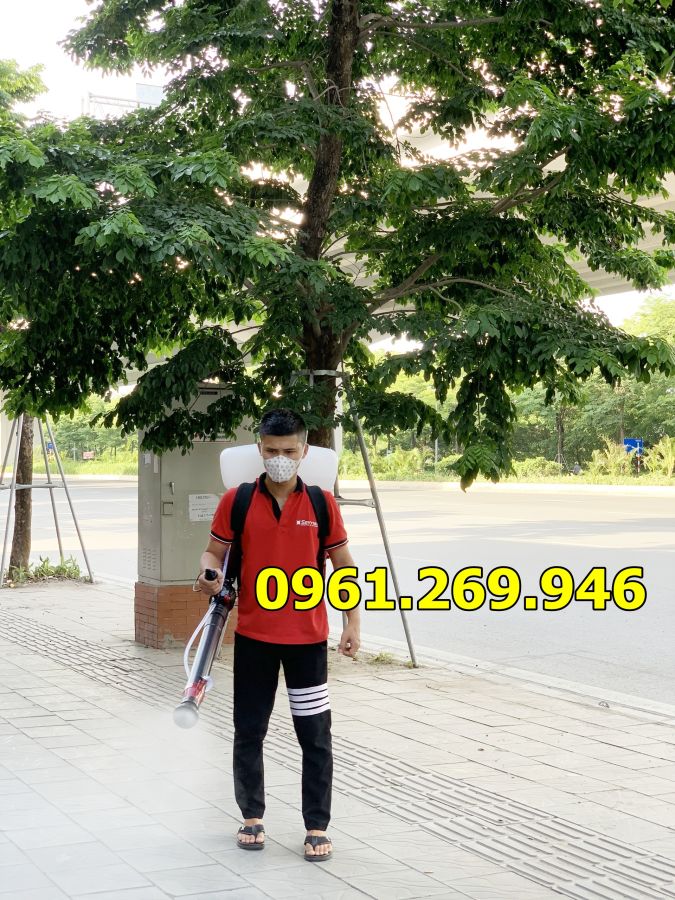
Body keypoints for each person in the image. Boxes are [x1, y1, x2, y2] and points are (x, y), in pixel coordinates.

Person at [197, 408, 360, 862]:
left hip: (308, 641)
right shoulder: (238, 500)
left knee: (315, 735)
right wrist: (208, 573)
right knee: (249, 731)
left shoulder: (322, 504)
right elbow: (213, 552)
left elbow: (344, 566)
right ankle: (251, 816)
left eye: (289, 451)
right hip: (255, 638)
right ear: (260, 450)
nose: (280, 459)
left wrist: (352, 621)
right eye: (272, 451)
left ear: (304, 451)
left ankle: (316, 825)